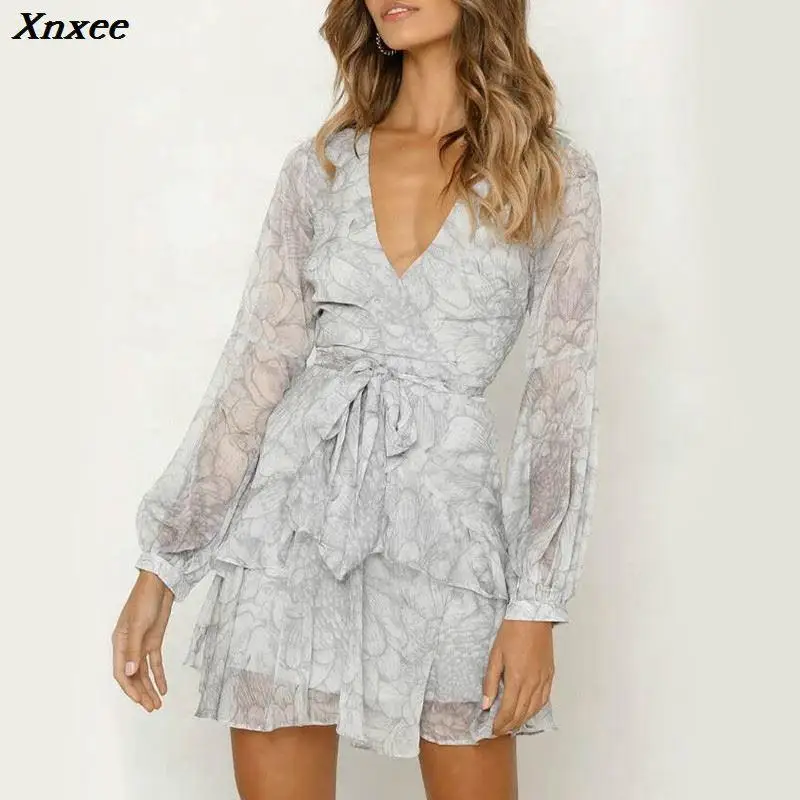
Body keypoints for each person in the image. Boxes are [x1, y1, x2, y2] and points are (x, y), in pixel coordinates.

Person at [111, 1, 602, 798]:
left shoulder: (550, 173)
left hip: (448, 542)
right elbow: (255, 368)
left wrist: (535, 603)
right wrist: (163, 564)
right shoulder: (321, 169)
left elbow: (560, 400)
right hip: (291, 532)